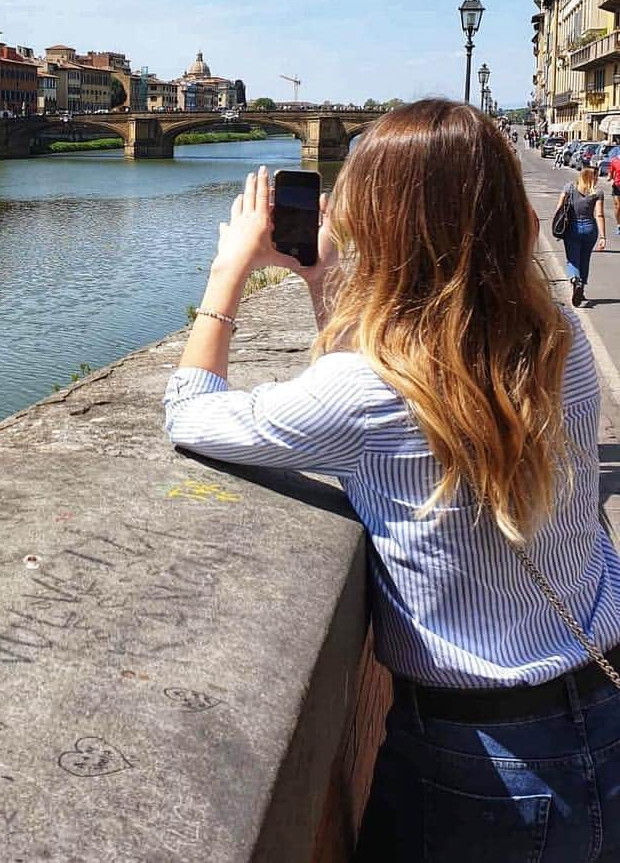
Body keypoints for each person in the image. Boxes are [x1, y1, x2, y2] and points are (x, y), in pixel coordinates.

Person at [164, 99, 620, 862]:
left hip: (478, 770)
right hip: (600, 719)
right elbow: (406, 358)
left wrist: (229, 269)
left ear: (380, 224)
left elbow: (189, 410)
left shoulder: (367, 390)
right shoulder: (559, 336)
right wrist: (326, 286)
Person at [556, 165, 606, 307]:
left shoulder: (569, 187)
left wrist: (559, 228)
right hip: (590, 229)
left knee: (572, 259)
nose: (597, 179)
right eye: (596, 176)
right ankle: (581, 288)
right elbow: (599, 215)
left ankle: (575, 280)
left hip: (572, 229)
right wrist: (603, 237)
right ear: (592, 177)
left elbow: (559, 208)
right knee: (585, 259)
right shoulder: (597, 193)